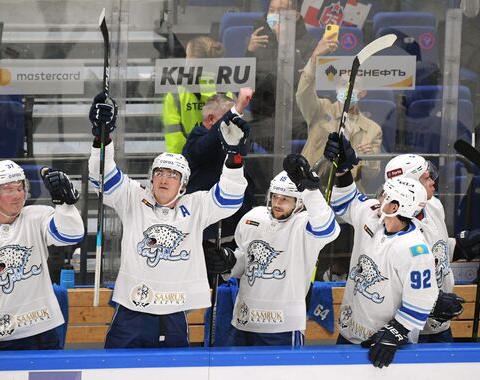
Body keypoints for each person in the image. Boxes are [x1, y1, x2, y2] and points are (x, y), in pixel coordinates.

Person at [88, 91, 249, 348]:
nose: (164, 179)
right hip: (131, 309)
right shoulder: (132, 198)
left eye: (172, 175)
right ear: (151, 178)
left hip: (175, 311)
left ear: (183, 185)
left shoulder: (194, 206)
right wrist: (102, 136)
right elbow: (103, 178)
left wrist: (234, 159)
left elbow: (229, 198)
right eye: (159, 173)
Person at [325, 133, 439, 368]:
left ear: (397, 206)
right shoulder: (371, 213)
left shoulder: (415, 250)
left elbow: (422, 299)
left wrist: (394, 332)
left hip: (390, 345)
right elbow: (345, 203)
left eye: (386, 196)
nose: (379, 198)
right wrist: (342, 171)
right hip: (350, 332)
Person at [0, 161, 84, 352]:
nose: (18, 195)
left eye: (20, 188)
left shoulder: (38, 217)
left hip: (43, 330)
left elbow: (71, 235)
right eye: (9, 189)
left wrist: (65, 204)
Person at [205, 154, 340, 346]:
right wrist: (230, 262)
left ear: (299, 203)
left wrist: (310, 190)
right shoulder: (253, 217)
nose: (277, 203)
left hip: (283, 327)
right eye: (275, 196)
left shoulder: (305, 226)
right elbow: (247, 260)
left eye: (285, 199)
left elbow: (327, 229)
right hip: (244, 321)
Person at [384, 154, 464, 342]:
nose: (433, 182)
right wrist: (433, 301)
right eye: (426, 178)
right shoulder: (391, 224)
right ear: (410, 185)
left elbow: (438, 250)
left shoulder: (434, 206)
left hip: (440, 325)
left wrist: (463, 245)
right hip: (407, 328)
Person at [296, 33, 382, 193]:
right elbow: (303, 94)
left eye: (353, 84)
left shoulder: (372, 129)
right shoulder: (321, 109)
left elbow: (370, 175)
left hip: (347, 191)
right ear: (336, 88)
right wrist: (314, 58)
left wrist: (370, 159)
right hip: (312, 187)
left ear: (362, 93)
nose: (347, 88)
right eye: (343, 84)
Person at [182, 89, 256, 246]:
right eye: (229, 119)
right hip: (206, 234)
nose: (233, 124)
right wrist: (238, 108)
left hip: (234, 229)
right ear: (211, 119)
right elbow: (210, 142)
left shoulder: (232, 139)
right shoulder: (197, 140)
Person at [162, 36, 232, 154]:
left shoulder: (175, 95)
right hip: (218, 164)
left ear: (191, 60)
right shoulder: (226, 93)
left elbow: (175, 141)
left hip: (186, 164)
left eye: (187, 56)